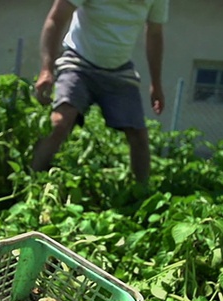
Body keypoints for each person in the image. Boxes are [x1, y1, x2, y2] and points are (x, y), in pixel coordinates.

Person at [32, 0, 169, 186]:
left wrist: (156, 83)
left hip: (120, 70)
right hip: (78, 62)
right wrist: (46, 69)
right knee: (60, 122)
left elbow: (154, 33)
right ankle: (31, 181)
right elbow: (56, 18)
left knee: (139, 135)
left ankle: (142, 195)